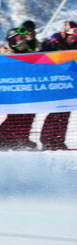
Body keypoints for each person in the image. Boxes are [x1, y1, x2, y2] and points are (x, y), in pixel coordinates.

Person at [39, 21, 77, 150]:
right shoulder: (52, 43)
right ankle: (48, 140)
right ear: (64, 34)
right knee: (56, 110)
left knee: (65, 111)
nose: (74, 40)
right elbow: (41, 55)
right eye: (72, 38)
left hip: (67, 83)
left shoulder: (73, 45)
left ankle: (58, 139)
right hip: (52, 82)